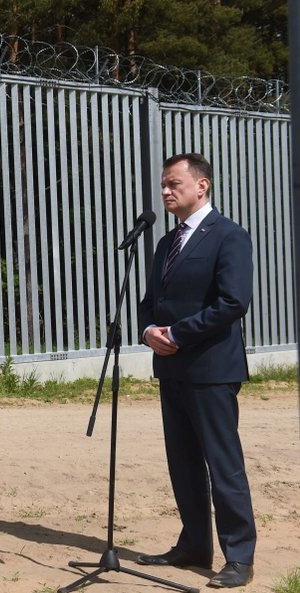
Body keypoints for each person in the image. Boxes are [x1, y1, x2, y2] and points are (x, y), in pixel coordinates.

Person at [136, 153, 256, 589]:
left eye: (174, 184)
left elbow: (232, 302)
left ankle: (238, 555)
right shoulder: (166, 243)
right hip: (171, 369)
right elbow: (151, 301)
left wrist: (178, 334)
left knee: (223, 464)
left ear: (202, 186)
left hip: (210, 368)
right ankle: (193, 544)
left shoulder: (229, 236)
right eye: (163, 184)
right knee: (183, 462)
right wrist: (149, 330)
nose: (165, 191)